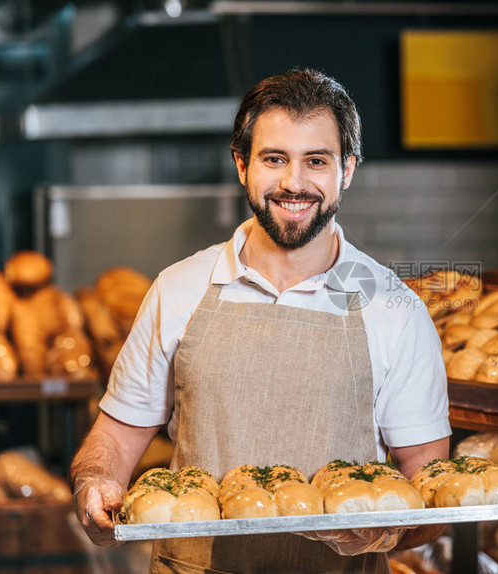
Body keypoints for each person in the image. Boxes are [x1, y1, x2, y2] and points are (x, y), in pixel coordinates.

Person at [70, 68, 451, 573]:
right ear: (242, 165)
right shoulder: (178, 289)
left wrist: (386, 532)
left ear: (348, 169)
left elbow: (430, 477)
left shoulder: (393, 308)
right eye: (275, 159)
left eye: (316, 161)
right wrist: (95, 480)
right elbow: (116, 439)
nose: (294, 183)